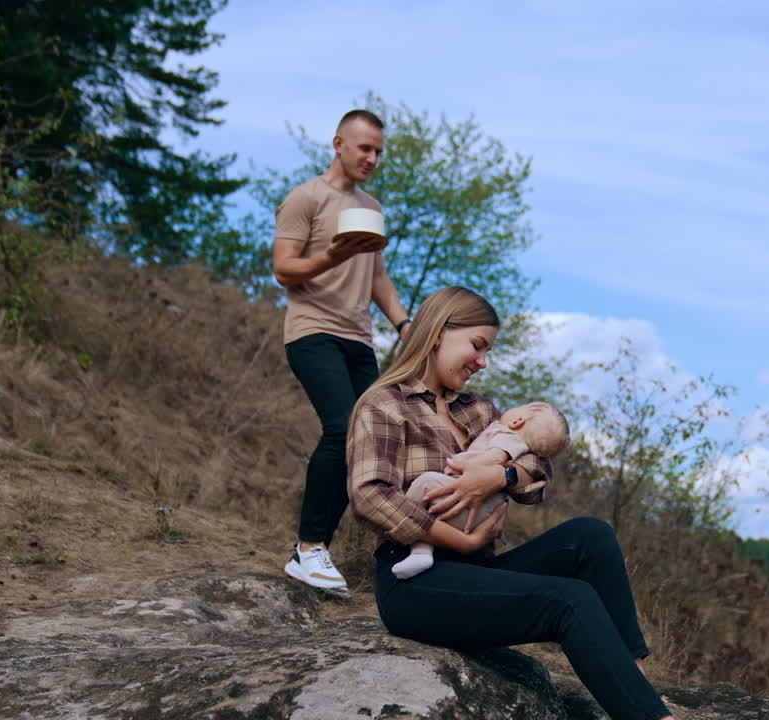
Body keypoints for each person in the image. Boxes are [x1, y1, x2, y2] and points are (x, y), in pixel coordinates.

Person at [347, 285, 675, 720]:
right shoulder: (385, 405)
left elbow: (538, 473)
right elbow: (370, 496)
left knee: (591, 536)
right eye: (478, 346)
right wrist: (458, 541)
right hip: (414, 582)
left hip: (479, 573)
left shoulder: (479, 411)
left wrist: (498, 474)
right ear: (440, 331)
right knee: (568, 600)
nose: (483, 362)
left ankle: (632, 678)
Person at [273, 109, 412, 598]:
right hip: (312, 332)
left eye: (379, 151)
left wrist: (405, 324)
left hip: (358, 339)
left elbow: (376, 276)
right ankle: (310, 549)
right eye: (364, 149)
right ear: (338, 143)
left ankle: (388, 546)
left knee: (372, 442)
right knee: (342, 427)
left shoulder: (369, 207)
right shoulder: (306, 197)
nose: (372, 158)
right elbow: (284, 269)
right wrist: (331, 257)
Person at [390, 401, 570, 579]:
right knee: (430, 512)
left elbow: (495, 457)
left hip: (470, 506)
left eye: (517, 408)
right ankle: (421, 553)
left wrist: (462, 465)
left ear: (518, 421)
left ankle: (408, 540)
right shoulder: (521, 449)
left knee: (425, 483)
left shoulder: (506, 436)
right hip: (483, 516)